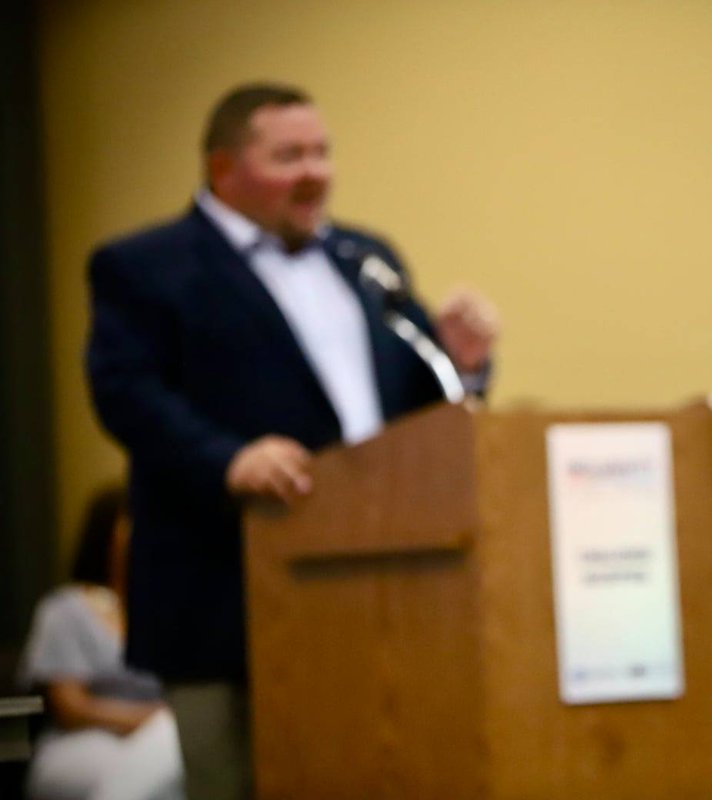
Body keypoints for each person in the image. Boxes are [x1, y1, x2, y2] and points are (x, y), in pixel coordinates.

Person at [85, 82, 498, 799]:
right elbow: (126, 392)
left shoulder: (367, 256)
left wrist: (461, 367)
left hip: (373, 596)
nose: (314, 170)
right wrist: (228, 459)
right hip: (223, 597)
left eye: (321, 151)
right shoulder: (146, 265)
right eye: (287, 155)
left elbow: (410, 413)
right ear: (223, 170)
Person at [17, 485, 185, 800]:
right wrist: (153, 719)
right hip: (84, 742)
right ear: (107, 534)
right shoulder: (66, 609)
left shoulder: (170, 612)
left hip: (163, 742)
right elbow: (71, 707)